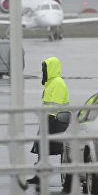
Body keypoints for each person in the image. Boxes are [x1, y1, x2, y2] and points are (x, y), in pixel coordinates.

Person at [27, 56, 69, 184]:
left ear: (51, 69)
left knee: (48, 147)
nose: (43, 72)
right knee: (41, 148)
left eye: (44, 69)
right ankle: (40, 174)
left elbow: (55, 105)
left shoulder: (57, 83)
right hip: (49, 119)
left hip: (55, 120)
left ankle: (44, 174)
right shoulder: (51, 83)